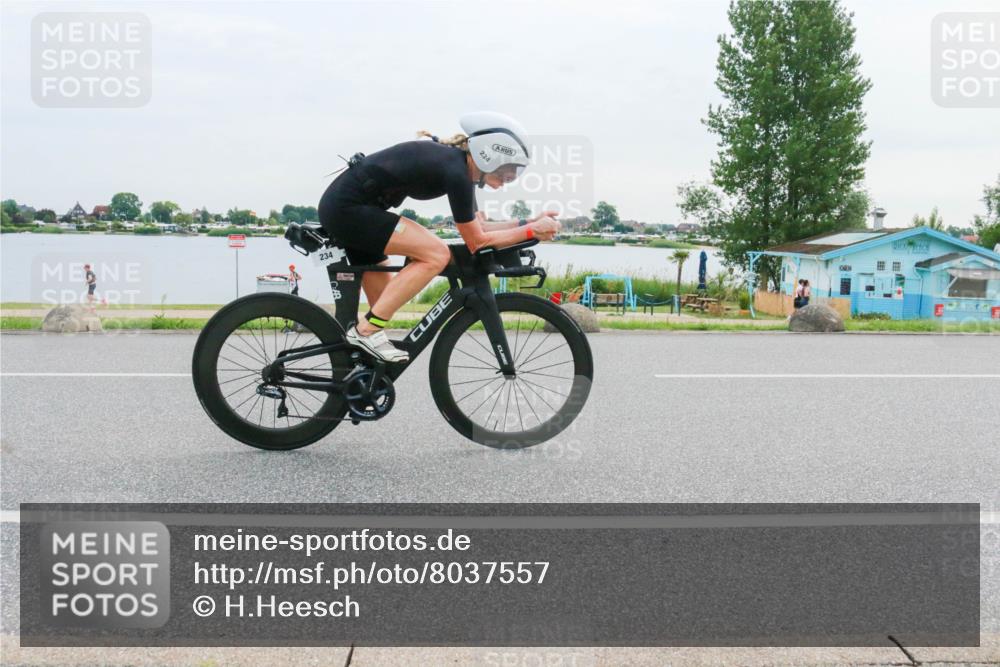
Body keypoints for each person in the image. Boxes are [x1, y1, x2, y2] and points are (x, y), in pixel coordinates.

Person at [318, 111, 560, 362]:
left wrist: (527, 222)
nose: (506, 181)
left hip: (353, 210)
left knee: (385, 303)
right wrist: (532, 232)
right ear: (489, 156)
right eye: (506, 173)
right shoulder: (457, 172)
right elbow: (476, 242)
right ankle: (364, 331)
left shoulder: (460, 167)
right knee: (436, 254)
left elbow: (480, 227)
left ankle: (356, 366)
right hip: (348, 210)